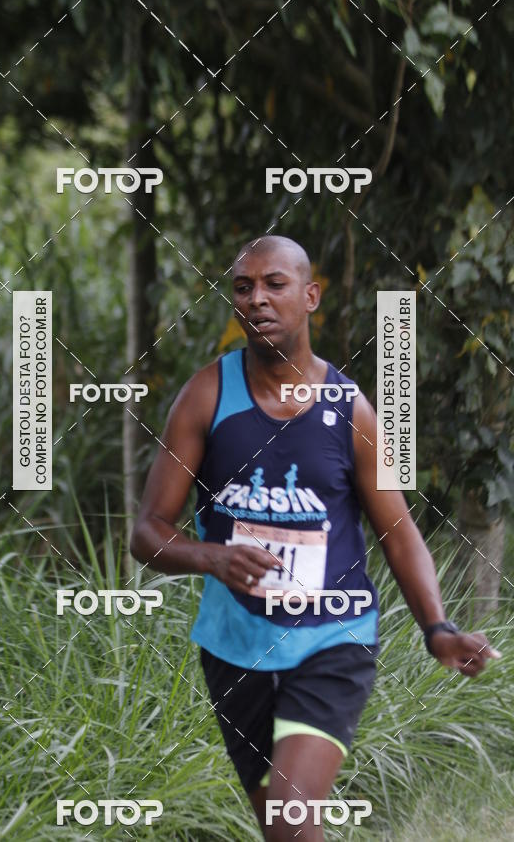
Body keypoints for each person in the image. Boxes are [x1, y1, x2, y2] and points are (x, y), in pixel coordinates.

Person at [130, 235, 501, 841]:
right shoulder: (206, 395)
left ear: (310, 296)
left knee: (291, 823)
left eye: (275, 285)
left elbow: (398, 530)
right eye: (244, 288)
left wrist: (438, 628)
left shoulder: (349, 409)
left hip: (333, 638)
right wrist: (213, 557)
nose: (258, 300)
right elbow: (148, 532)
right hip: (235, 647)